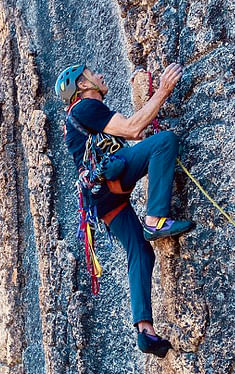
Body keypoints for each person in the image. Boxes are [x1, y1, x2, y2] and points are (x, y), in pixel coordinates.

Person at [55, 63, 195, 357]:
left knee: (140, 251)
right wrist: (163, 91)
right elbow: (133, 129)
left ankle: (145, 331)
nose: (101, 75)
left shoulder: (81, 116)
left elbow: (125, 136)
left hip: (101, 198)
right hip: (109, 181)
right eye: (93, 74)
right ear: (82, 86)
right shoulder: (84, 107)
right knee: (164, 142)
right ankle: (156, 220)